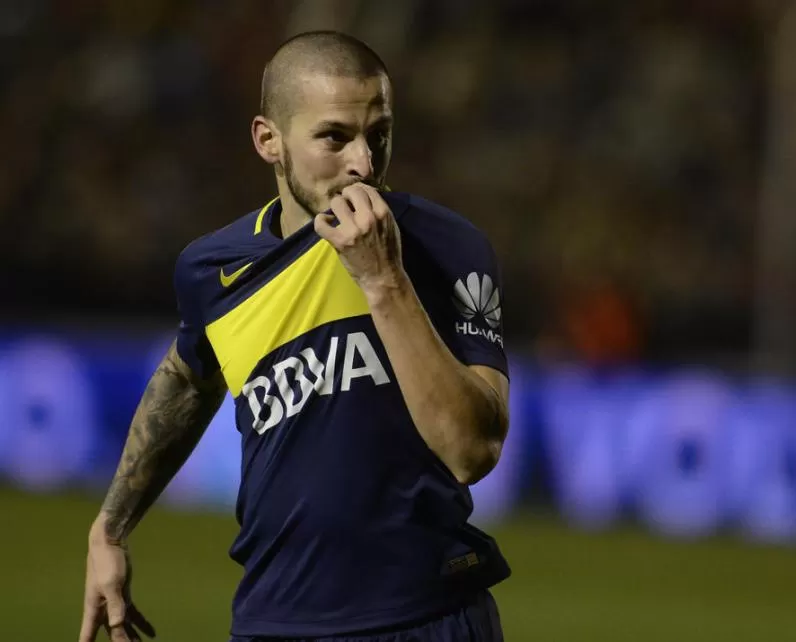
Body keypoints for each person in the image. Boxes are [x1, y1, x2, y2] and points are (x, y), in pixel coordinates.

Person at [79, 30, 511, 642]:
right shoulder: (213, 271)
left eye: (378, 134)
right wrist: (110, 529)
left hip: (427, 616)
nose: (363, 162)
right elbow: (185, 380)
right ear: (269, 140)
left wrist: (384, 280)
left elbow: (474, 450)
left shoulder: (446, 248)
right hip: (273, 621)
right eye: (334, 136)